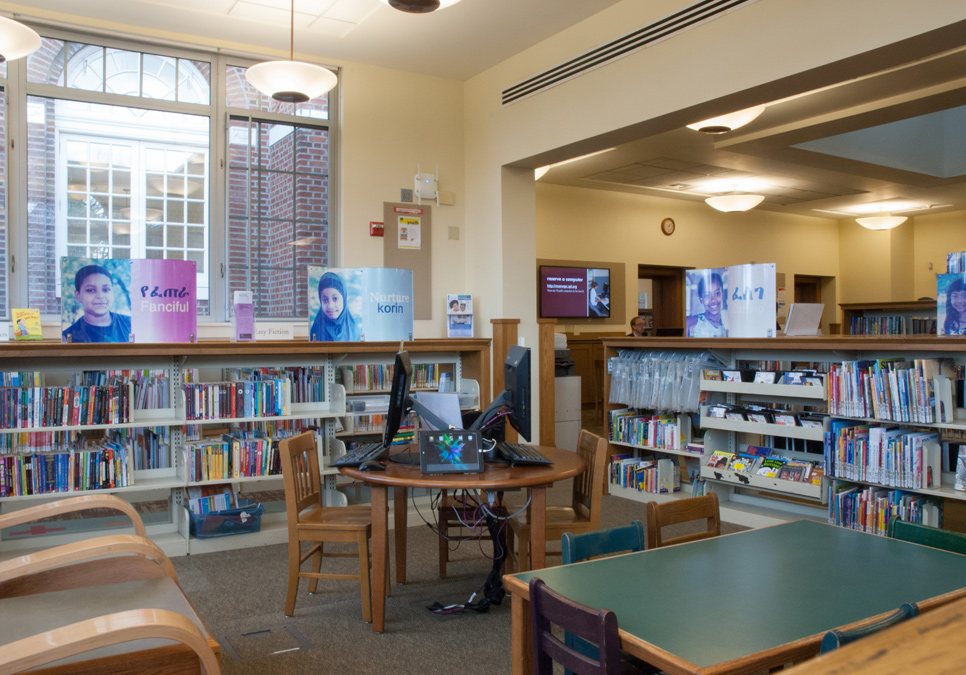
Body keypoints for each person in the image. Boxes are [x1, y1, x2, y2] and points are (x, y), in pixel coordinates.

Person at [62, 264, 132, 343]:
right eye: (91, 290)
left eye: (106, 290)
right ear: (78, 296)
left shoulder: (131, 324)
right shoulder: (67, 338)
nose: (100, 296)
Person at [310, 271, 361, 341]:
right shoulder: (316, 329)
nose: (330, 306)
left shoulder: (354, 331)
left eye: (335, 299)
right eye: (325, 300)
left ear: (344, 299)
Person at [686, 272, 727, 337]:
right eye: (707, 295)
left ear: (722, 295)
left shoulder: (728, 326)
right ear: (701, 299)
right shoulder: (689, 322)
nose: (713, 300)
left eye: (717, 293)